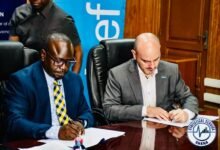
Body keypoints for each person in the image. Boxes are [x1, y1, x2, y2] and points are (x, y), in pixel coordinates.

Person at [4, 33, 93, 141]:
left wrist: (80, 123)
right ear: (43, 55)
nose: (64, 67)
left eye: (68, 61)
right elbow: (14, 122)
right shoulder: (22, 81)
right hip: (37, 143)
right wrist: (56, 132)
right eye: (58, 61)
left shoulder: (74, 80)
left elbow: (87, 113)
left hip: (70, 143)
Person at [103, 32, 199, 123]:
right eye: (146, 61)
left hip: (164, 130)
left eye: (156, 59)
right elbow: (109, 110)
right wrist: (146, 111)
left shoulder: (171, 70)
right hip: (134, 131)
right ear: (134, 55)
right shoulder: (118, 74)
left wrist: (186, 113)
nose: (152, 66)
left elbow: (188, 98)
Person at [9, 0, 82, 73]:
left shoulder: (63, 20)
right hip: (24, 74)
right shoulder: (19, 13)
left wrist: (72, 80)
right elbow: (14, 51)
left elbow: (77, 52)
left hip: (51, 76)